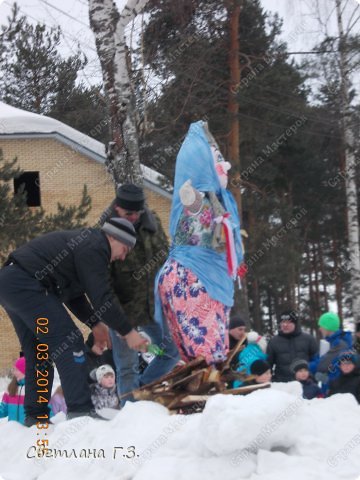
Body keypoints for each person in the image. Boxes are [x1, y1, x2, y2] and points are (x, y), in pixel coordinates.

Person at [0, 218, 147, 426]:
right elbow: (101, 297)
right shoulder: (95, 246)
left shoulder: (84, 245)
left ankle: (36, 415)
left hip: (10, 283)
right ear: (112, 237)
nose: (123, 256)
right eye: (125, 248)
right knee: (70, 341)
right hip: (27, 283)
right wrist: (128, 332)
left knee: (39, 350)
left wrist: (95, 324)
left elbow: (72, 295)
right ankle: (80, 411)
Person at [156, 121, 243, 365]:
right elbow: (192, 205)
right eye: (217, 160)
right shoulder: (201, 200)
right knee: (204, 348)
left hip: (204, 278)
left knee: (206, 347)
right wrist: (191, 195)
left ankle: (205, 388)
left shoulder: (221, 202)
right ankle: (207, 391)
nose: (225, 165)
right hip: (194, 279)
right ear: (200, 165)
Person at [102, 184, 180, 406]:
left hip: (152, 305)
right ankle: (129, 411)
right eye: (129, 214)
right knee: (127, 367)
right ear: (117, 208)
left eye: (138, 212)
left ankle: (140, 395)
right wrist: (118, 323)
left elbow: (166, 259)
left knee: (171, 351)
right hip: (123, 309)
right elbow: (104, 282)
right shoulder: (104, 231)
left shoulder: (151, 221)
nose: (135, 217)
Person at [266, 309, 318, 382]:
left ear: (295, 324)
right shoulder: (273, 342)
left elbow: (317, 361)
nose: (285, 325)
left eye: (289, 322)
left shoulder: (309, 339)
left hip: (305, 383)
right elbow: (268, 365)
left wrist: (310, 377)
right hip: (282, 384)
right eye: (283, 322)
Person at [311, 312, 353, 394]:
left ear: (328, 327)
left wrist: (305, 368)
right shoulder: (329, 342)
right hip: (330, 386)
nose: (319, 329)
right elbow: (319, 359)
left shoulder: (340, 344)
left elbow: (323, 364)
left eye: (321, 326)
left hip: (337, 390)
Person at [0, 357, 26, 424]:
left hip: (28, 432)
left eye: (17, 370)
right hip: (13, 431)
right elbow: (3, 410)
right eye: (14, 369)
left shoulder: (33, 390)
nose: (14, 372)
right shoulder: (10, 388)